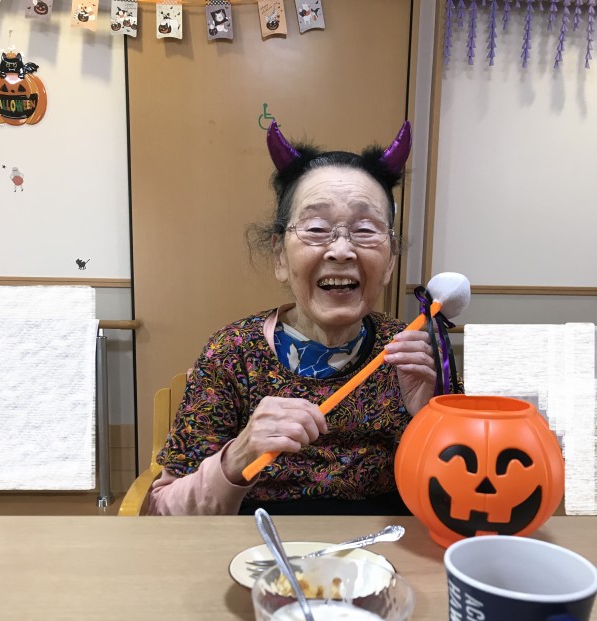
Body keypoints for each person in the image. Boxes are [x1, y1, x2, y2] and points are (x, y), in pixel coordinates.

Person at [149, 120, 438, 516]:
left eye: (365, 230)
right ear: (280, 257)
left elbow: (471, 495)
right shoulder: (232, 354)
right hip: (257, 548)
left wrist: (431, 417)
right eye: (316, 228)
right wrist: (238, 456)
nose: (341, 250)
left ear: (390, 263)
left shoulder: (414, 354)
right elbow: (160, 513)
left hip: (381, 549)